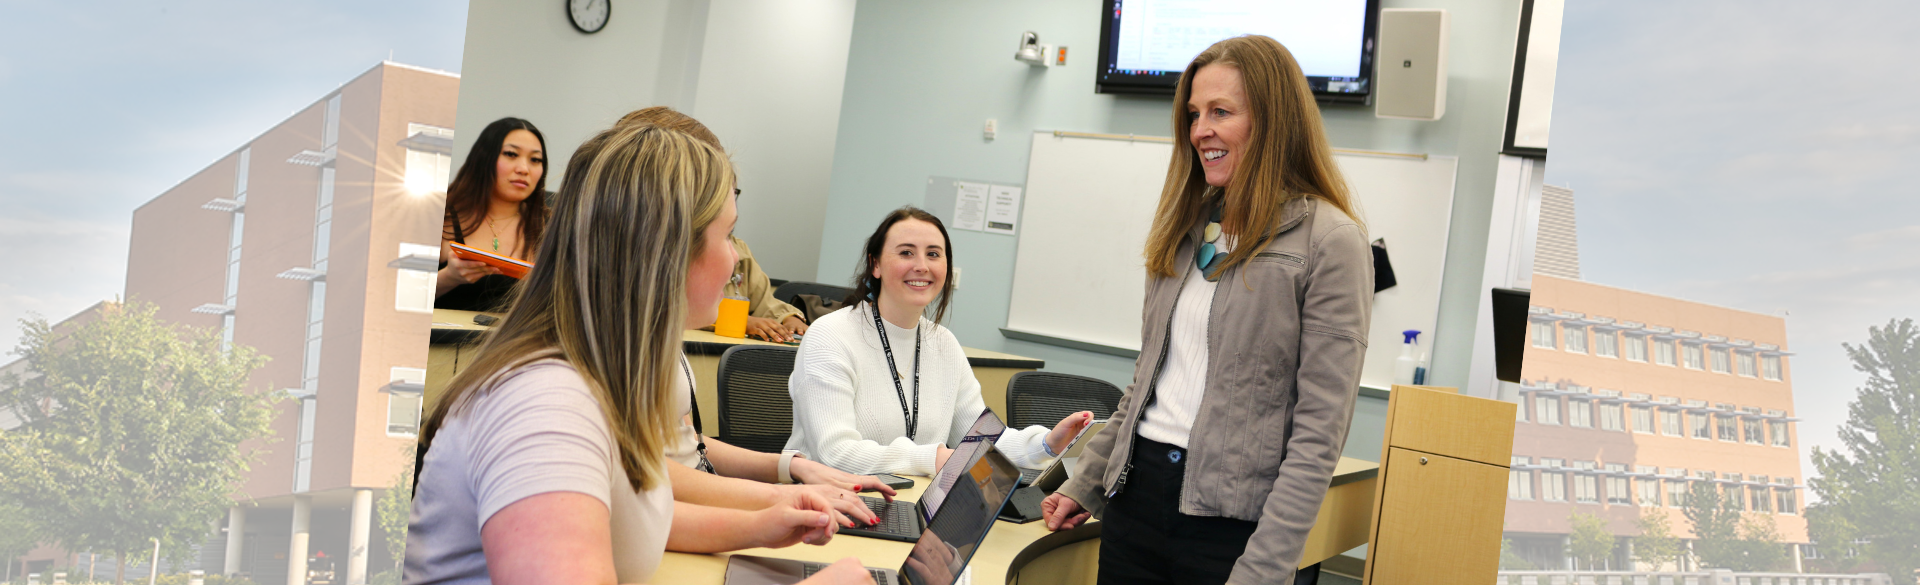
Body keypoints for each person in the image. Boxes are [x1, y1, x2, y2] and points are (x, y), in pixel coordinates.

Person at [405, 123, 873, 585]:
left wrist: (764, 522)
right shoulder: (549, 406)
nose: (735, 259)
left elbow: (626, 519)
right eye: (728, 235)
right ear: (670, 251)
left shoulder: (598, 375)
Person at [1040, 35, 1373, 585]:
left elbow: (1318, 435)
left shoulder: (1330, 241)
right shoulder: (1188, 226)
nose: (1200, 131)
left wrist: (1266, 567)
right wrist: (1087, 482)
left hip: (1231, 527)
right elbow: (1147, 384)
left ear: (1272, 121)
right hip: (1135, 504)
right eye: (1195, 114)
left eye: (1221, 112)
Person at [609, 106, 899, 529]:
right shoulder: (594, 353)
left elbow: (681, 448)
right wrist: (777, 501)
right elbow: (645, 482)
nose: (734, 261)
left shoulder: (649, 333)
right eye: (725, 234)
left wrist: (793, 470)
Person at [784, 206, 1093, 476]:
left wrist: (1046, 444)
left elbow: (981, 440)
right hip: (822, 508)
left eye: (933, 254)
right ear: (875, 264)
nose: (922, 265)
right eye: (906, 252)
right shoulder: (830, 335)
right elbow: (835, 453)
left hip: (909, 506)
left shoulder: (943, 343)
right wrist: (932, 458)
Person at [435, 117, 549, 312]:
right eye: (511, 154)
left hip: (516, 340)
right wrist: (448, 277)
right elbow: (396, 295)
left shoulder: (551, 225)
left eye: (535, 160)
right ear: (483, 158)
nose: (524, 169)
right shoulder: (438, 214)